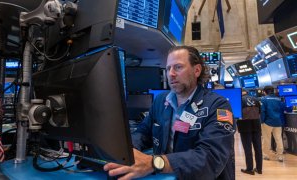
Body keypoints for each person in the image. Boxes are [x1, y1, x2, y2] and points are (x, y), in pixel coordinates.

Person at [104, 46, 236, 179]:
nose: (171, 74)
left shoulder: (218, 105)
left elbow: (211, 158)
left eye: (178, 67)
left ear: (196, 70)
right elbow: (143, 132)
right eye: (168, 68)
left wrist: (155, 163)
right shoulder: (161, 101)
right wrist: (126, 151)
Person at [237, 90, 262, 175]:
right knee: (258, 148)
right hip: (256, 126)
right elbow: (259, 112)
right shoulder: (256, 99)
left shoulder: (239, 100)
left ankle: (249, 169)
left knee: (248, 148)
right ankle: (259, 169)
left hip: (244, 127)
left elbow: (237, 114)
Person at [260, 86, 285, 162]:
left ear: (264, 92)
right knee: (278, 139)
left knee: (266, 139)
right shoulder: (279, 99)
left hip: (268, 122)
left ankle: (265, 155)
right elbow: (283, 109)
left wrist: (262, 121)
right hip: (278, 122)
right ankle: (280, 156)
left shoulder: (263, 99)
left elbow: (263, 111)